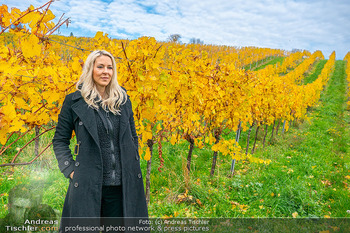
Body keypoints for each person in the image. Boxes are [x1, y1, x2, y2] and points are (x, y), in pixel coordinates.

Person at [52, 50, 149, 233]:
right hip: (88, 183)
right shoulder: (74, 101)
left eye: (110, 67)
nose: (106, 71)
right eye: (100, 67)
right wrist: (70, 170)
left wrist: (131, 161)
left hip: (121, 187)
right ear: (91, 69)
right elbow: (60, 140)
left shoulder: (122, 99)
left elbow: (133, 136)